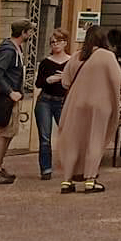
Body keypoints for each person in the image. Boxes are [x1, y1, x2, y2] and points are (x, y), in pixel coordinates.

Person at [56, 24, 121, 194]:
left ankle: (67, 180)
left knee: (73, 140)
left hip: (76, 104)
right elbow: (119, 80)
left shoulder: (76, 56)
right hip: (100, 105)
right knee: (95, 139)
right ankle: (90, 179)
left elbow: (65, 82)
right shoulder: (107, 56)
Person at [0, 20, 32, 185]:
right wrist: (11, 92)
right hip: (6, 98)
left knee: (9, 133)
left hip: (11, 97)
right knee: (3, 134)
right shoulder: (9, 51)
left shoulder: (14, 49)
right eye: (29, 31)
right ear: (23, 32)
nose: (30, 35)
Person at [34, 29, 72, 181]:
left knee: (67, 134)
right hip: (45, 100)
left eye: (58, 41)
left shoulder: (70, 62)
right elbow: (38, 83)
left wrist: (65, 78)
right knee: (45, 137)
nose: (55, 45)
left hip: (62, 101)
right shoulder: (45, 62)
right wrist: (48, 80)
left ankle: (70, 165)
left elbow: (76, 82)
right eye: (52, 42)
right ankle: (46, 169)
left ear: (65, 43)